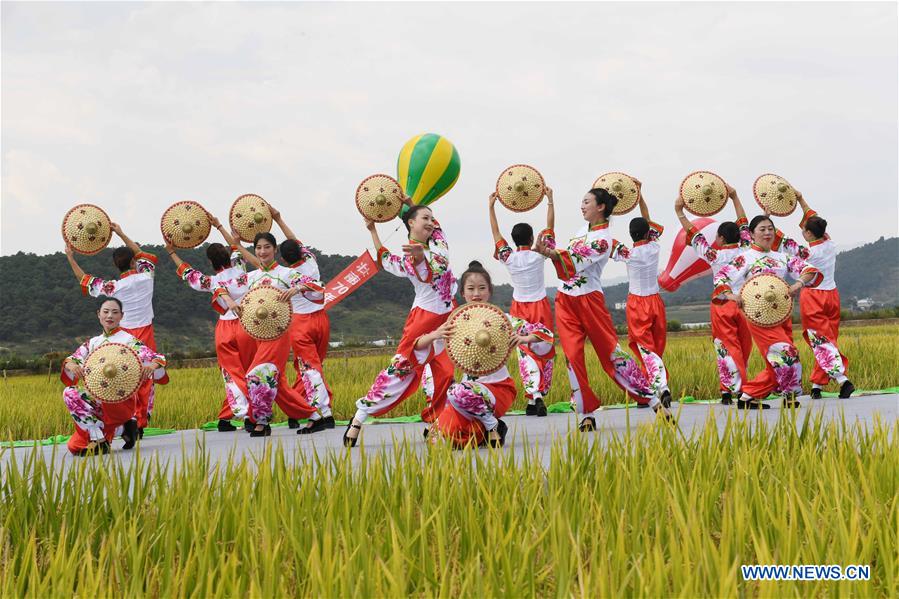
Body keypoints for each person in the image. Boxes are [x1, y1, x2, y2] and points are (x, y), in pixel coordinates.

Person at [534, 187, 671, 432]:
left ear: (601, 207)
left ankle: (652, 399)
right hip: (565, 300)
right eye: (582, 201)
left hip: (589, 301)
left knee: (612, 355)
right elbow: (561, 252)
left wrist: (551, 253)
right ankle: (586, 414)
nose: (582, 205)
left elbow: (574, 263)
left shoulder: (603, 240)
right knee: (572, 358)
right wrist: (550, 208)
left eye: (586, 201)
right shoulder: (580, 231)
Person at [343, 199, 458, 447]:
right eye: (423, 218)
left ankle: (437, 424)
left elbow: (431, 231)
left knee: (446, 374)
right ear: (410, 224)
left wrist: (408, 203)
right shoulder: (410, 256)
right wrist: (373, 230)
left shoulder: (439, 242)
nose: (429, 222)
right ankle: (360, 415)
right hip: (424, 321)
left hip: (449, 318)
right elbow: (384, 257)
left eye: (431, 218)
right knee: (400, 374)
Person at [415, 261, 554, 448]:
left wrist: (524, 338)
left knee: (456, 391)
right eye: (471, 289)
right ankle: (489, 429)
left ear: (489, 291)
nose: (477, 294)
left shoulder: (503, 320)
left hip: (498, 389)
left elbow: (546, 334)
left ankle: (491, 425)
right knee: (437, 436)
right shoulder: (453, 325)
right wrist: (435, 334)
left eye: (482, 288)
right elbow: (416, 346)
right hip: (468, 395)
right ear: (462, 293)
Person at [714, 215, 823, 409]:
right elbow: (722, 277)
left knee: (776, 360)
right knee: (786, 353)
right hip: (760, 317)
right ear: (752, 234)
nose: (767, 233)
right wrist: (731, 295)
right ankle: (772, 393)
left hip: (782, 314)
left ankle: (749, 397)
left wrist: (798, 283)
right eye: (762, 229)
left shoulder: (782, 258)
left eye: (770, 229)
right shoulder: (745, 258)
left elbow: (809, 270)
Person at [164, 216, 259, 432]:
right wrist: (219, 227)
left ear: (210, 263)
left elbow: (187, 272)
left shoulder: (211, 281)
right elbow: (236, 247)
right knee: (247, 371)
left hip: (226, 328)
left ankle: (243, 416)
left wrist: (171, 251)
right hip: (247, 326)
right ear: (228, 255)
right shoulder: (241, 268)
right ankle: (234, 418)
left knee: (231, 374)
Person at [65, 223, 158, 434]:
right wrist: (121, 232)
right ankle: (140, 422)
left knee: (121, 377)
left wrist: (70, 257)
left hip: (121, 337)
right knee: (145, 378)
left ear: (116, 266)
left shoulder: (113, 287)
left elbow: (84, 279)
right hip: (144, 334)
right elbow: (146, 255)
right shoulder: (147, 276)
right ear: (134, 261)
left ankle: (128, 419)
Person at [673, 185, 753, 405]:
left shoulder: (713, 254)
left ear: (719, 238)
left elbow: (694, 234)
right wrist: (735, 196)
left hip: (721, 303)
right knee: (744, 346)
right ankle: (739, 387)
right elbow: (743, 221)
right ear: (740, 236)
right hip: (745, 303)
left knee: (726, 347)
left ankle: (731, 390)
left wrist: (680, 211)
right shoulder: (747, 249)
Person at [771, 191, 854, 399]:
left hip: (814, 296)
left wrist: (768, 218)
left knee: (819, 341)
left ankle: (843, 380)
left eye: (805, 230)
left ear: (808, 233)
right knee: (828, 340)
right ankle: (817, 385)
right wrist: (800, 200)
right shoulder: (830, 243)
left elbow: (779, 239)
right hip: (832, 295)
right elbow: (812, 218)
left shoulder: (807, 252)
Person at [61, 298, 167, 455]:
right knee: (74, 445)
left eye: (115, 312)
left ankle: (101, 439)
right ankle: (123, 429)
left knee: (72, 400)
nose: (109, 316)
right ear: (99, 314)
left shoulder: (129, 341)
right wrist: (71, 365)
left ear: (121, 316)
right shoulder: (93, 343)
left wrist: (152, 365)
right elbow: (72, 359)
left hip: (121, 400)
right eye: (106, 312)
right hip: (99, 398)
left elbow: (158, 358)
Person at [243, 231, 324, 436]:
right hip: (259, 335)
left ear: (275, 249)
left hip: (279, 334)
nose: (262, 251)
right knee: (276, 382)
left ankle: (261, 421)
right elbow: (220, 287)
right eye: (259, 248)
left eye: (267, 247)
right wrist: (230, 301)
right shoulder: (251, 278)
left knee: (256, 374)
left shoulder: (286, 273)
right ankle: (314, 416)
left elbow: (318, 286)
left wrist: (298, 288)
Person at [488, 187, 556, 416]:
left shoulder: (508, 257)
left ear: (514, 240)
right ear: (530, 237)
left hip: (518, 307)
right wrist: (549, 201)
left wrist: (491, 207)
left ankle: (531, 397)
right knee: (543, 348)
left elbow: (496, 234)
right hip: (540, 305)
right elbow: (550, 228)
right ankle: (538, 394)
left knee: (524, 350)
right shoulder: (539, 254)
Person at [268, 204, 335, 434]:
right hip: (322, 321)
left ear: (283, 259)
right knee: (312, 368)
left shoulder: (285, 276)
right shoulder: (311, 260)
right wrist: (278, 218)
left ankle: (322, 414)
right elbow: (293, 239)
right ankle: (303, 409)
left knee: (309, 370)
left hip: (301, 325)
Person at [609, 190, 670, 406]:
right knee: (656, 346)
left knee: (645, 349)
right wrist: (640, 195)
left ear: (631, 234)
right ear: (647, 233)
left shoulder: (628, 253)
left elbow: (603, 237)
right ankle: (650, 391)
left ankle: (660, 386)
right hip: (655, 300)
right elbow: (647, 219)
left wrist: (607, 209)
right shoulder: (654, 247)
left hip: (636, 303)